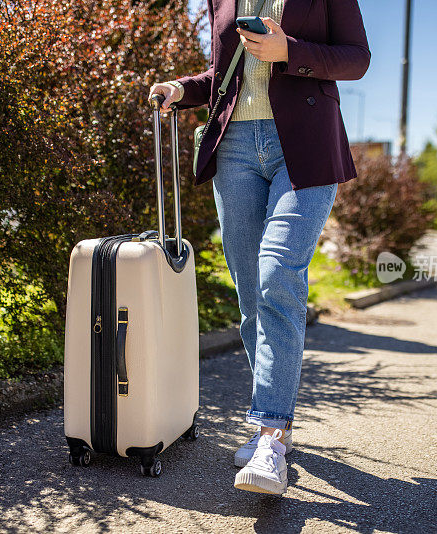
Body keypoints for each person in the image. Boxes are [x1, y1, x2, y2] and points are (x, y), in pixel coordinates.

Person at [149, 0, 369, 495]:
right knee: (251, 297)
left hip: (305, 144)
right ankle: (273, 424)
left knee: (277, 274)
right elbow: (222, 72)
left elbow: (357, 57)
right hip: (235, 150)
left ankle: (271, 437)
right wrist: (182, 89)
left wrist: (287, 50)